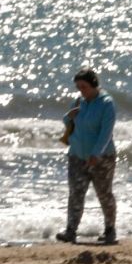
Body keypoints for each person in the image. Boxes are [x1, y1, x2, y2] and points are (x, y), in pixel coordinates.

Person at [56, 68, 118, 245]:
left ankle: (110, 230)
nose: (81, 91)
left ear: (94, 85)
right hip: (77, 155)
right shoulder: (79, 101)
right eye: (78, 87)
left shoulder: (106, 103)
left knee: (104, 194)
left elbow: (106, 133)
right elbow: (69, 123)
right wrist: (68, 116)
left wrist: (96, 153)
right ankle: (71, 230)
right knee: (75, 194)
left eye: (84, 87)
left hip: (102, 157)